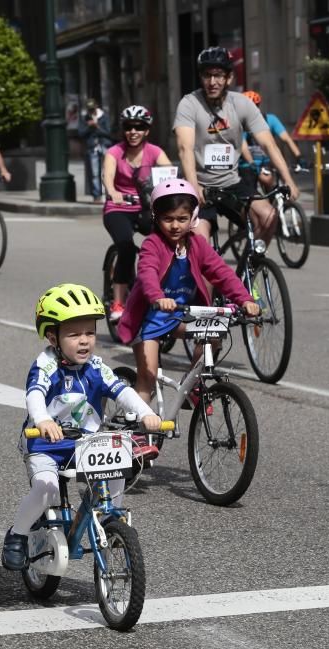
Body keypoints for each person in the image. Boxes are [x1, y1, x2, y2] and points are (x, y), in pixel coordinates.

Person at [1, 283, 162, 571]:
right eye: (74, 334)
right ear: (53, 337)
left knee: (117, 469)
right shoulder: (46, 365)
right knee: (46, 489)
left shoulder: (96, 367)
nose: (84, 341)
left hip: (82, 445)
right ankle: (18, 535)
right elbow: (35, 394)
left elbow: (121, 391)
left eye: (89, 332)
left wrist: (147, 414)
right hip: (45, 445)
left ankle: (110, 520)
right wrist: (43, 420)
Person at [116, 179, 261, 406]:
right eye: (168, 219)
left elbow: (222, 273)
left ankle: (192, 385)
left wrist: (244, 299)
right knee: (148, 376)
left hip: (181, 315)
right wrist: (157, 297)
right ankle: (136, 430)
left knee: (214, 332)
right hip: (150, 317)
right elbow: (147, 273)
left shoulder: (197, 245)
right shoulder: (152, 244)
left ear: (192, 218)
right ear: (156, 217)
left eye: (182, 219)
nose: (175, 226)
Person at [173, 47, 299, 245]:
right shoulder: (189, 104)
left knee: (268, 217)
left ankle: (251, 265)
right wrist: (194, 186)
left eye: (218, 76)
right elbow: (184, 148)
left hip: (231, 183)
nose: (212, 82)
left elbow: (269, 144)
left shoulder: (241, 104)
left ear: (229, 78)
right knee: (200, 242)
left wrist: (288, 180)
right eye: (207, 76)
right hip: (199, 184)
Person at [102, 104, 173, 322]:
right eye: (129, 127)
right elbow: (108, 176)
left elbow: (171, 176)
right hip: (119, 208)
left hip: (146, 207)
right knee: (125, 247)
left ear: (147, 130)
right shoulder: (114, 152)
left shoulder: (155, 152)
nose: (133, 132)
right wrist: (113, 192)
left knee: (168, 242)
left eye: (139, 127)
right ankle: (118, 302)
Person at [238, 90, 306, 192]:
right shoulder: (241, 122)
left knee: (271, 184)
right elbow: (243, 146)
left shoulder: (271, 119)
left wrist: (299, 157)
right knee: (250, 193)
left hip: (267, 162)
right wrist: (251, 163)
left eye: (255, 106)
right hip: (248, 164)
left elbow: (287, 139)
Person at [78, 98, 113, 202]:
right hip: (92, 147)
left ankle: (110, 193)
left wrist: (97, 127)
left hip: (104, 145)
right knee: (94, 173)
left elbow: (108, 133)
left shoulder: (104, 117)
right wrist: (89, 127)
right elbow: (81, 133)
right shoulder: (85, 119)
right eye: (89, 110)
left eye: (92, 109)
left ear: (96, 107)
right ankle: (96, 196)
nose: (91, 112)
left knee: (108, 171)